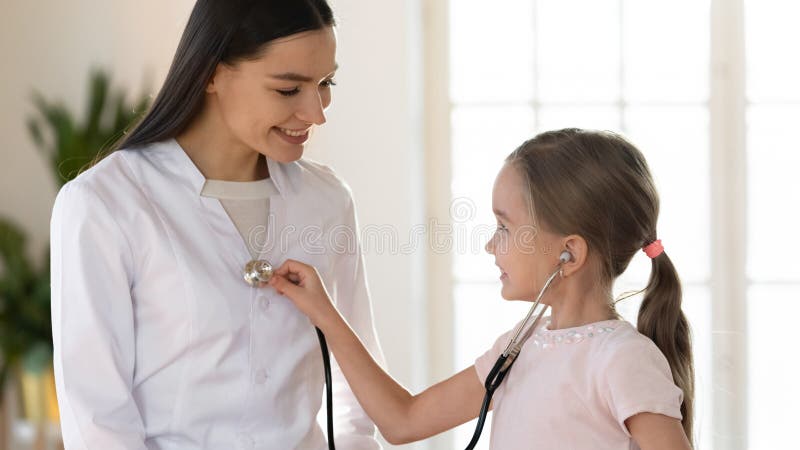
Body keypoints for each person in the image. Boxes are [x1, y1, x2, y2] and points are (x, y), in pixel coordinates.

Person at [50, 1, 384, 448]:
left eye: (326, 84)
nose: (316, 112)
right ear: (211, 73)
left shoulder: (327, 201)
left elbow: (355, 390)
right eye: (289, 90)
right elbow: (97, 418)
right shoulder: (106, 204)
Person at [269, 128, 695, 449]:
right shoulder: (519, 346)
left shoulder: (622, 359)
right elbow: (402, 421)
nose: (491, 244)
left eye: (505, 227)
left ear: (569, 254)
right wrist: (323, 313)